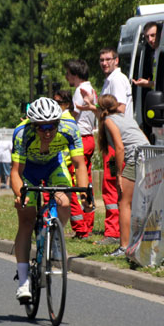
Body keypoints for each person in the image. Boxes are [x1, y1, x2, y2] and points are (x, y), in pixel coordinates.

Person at [11, 97, 91, 302]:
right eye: (41, 127)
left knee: (65, 202)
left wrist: (85, 195)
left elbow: (80, 164)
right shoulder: (22, 133)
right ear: (33, 125)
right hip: (28, 170)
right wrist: (20, 196)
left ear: (59, 122)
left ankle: (53, 235)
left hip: (54, 165)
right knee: (26, 220)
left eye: (52, 126)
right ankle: (23, 282)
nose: (47, 132)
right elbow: (15, 172)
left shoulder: (69, 128)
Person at [96, 94, 150, 257]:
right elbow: (143, 138)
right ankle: (138, 243)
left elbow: (119, 148)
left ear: (100, 109)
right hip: (148, 155)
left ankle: (124, 247)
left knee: (124, 203)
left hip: (136, 158)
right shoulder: (126, 118)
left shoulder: (108, 121)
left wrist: (119, 174)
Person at [94, 47, 132, 245]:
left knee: (112, 185)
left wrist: (99, 109)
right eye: (101, 60)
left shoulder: (116, 79)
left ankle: (113, 232)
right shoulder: (110, 80)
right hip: (111, 137)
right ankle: (114, 230)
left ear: (116, 61)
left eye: (108, 59)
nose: (104, 63)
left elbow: (119, 108)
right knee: (110, 185)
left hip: (117, 138)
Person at [64, 59, 97, 239]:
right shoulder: (91, 88)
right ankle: (88, 223)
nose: (66, 77)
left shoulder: (79, 90)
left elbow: (73, 115)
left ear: (75, 74)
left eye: (68, 73)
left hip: (79, 139)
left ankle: (80, 228)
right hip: (90, 138)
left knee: (73, 182)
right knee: (87, 182)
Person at [131, 21, 160, 91]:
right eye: (147, 37)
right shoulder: (152, 53)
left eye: (153, 35)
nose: (150, 39)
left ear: (160, 34)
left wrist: (148, 83)